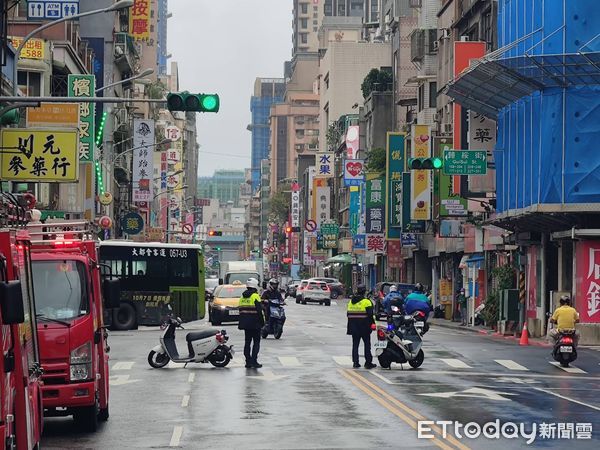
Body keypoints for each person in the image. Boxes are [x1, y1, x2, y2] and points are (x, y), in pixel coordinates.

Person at [347, 284, 376, 369]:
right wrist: (373, 324)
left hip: (354, 327)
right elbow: (370, 315)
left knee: (355, 345)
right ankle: (368, 363)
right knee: (367, 345)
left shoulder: (351, 302)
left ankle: (355, 363)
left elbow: (348, 314)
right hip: (364, 328)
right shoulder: (366, 302)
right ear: (364, 292)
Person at [238, 278, 265, 368]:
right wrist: (262, 323)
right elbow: (260, 311)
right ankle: (254, 361)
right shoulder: (255, 296)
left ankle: (248, 362)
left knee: (247, 342)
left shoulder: (242, 297)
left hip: (246, 324)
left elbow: (240, 310)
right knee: (256, 342)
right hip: (255, 324)